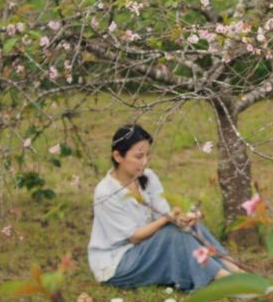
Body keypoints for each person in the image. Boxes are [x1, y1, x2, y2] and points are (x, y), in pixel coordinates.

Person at [88, 124, 240, 291]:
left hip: (145, 248)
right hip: (119, 263)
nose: (144, 162)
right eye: (139, 157)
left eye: (147, 156)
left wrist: (180, 219)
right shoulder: (106, 192)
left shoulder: (148, 177)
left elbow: (163, 213)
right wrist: (168, 219)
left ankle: (233, 268)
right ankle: (221, 278)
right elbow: (135, 237)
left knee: (190, 226)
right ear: (118, 156)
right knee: (172, 234)